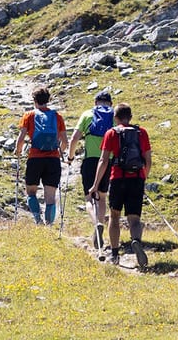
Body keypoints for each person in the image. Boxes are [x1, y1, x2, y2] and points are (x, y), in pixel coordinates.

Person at [92, 102, 152, 267]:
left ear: (115, 118)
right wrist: (142, 178)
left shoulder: (111, 133)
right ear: (130, 117)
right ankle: (136, 241)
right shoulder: (142, 132)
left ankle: (115, 253)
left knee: (114, 216)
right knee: (134, 219)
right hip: (136, 179)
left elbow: (104, 160)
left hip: (118, 179)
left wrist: (95, 185)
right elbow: (148, 160)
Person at [68, 90, 117, 251]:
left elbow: (75, 137)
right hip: (108, 162)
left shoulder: (88, 115)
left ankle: (96, 224)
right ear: (110, 103)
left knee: (89, 198)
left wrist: (70, 156)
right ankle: (101, 223)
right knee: (102, 197)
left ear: (96, 102)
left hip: (90, 161)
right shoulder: (114, 117)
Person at [14, 86, 64, 225]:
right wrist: (59, 153)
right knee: (50, 196)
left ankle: (38, 220)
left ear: (34, 100)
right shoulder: (57, 116)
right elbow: (65, 141)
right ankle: (49, 224)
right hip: (53, 159)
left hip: (35, 158)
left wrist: (18, 152)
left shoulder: (29, 115)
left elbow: (21, 137)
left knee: (30, 192)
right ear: (48, 100)